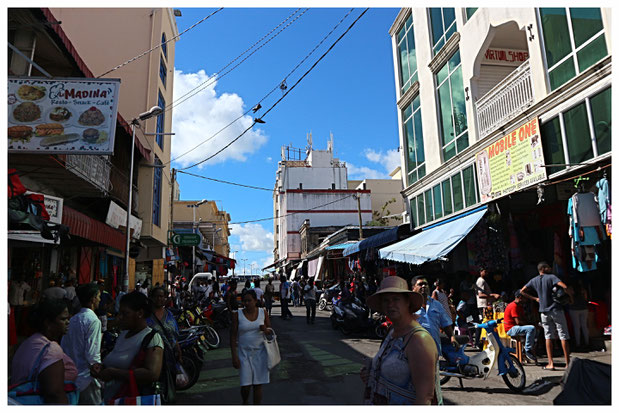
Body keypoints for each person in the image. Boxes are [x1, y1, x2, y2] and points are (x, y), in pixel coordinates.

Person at [360, 276, 436, 405]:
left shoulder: (418, 339)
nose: (390, 305)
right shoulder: (391, 332)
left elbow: (425, 397)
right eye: (385, 301)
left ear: (407, 302)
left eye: (396, 299)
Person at [90, 291, 164, 404]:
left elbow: (152, 374)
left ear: (139, 313)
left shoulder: (152, 338)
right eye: (119, 313)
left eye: (125, 314)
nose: (120, 317)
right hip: (112, 399)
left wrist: (114, 373)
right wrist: (102, 368)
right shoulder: (123, 335)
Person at [10, 299, 77, 404]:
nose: (68, 322)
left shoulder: (29, 342)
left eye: (68, 318)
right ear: (48, 323)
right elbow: (55, 394)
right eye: (63, 319)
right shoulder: (50, 348)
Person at [410, 275, 457, 405]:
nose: (424, 286)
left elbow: (446, 323)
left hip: (433, 352)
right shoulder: (409, 306)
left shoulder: (435, 304)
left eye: (426, 284)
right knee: (415, 385)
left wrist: (452, 337)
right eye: (420, 284)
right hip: (414, 353)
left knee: (433, 386)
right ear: (413, 288)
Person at [520, 261, 571, 370]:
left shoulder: (534, 280)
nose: (550, 268)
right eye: (548, 267)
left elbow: (522, 291)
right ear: (543, 268)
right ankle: (567, 363)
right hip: (556, 309)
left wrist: (536, 299)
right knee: (563, 335)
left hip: (543, 311)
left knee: (548, 336)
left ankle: (551, 363)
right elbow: (564, 286)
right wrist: (568, 296)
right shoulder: (552, 277)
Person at [61, 283, 103, 405]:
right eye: (98, 296)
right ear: (93, 299)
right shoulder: (93, 320)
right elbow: (92, 355)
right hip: (86, 378)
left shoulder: (73, 319)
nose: (100, 300)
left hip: (70, 377)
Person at [230, 289, 273, 404]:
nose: (246, 303)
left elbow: (270, 330)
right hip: (244, 354)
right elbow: (233, 336)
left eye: (249, 300)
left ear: (255, 301)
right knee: (246, 385)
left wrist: (265, 329)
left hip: (260, 353)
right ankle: (245, 403)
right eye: (244, 301)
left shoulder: (263, 312)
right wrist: (234, 356)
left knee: (258, 384)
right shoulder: (237, 314)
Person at [146, 287, 181, 404]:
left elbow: (174, 335)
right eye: (157, 296)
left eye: (162, 296)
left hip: (169, 358)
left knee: (169, 386)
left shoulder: (169, 314)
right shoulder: (147, 315)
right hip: (152, 358)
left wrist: (178, 349)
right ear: (151, 298)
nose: (160, 299)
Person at [503, 290, 537, 363]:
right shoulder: (513, 306)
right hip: (511, 328)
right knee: (531, 328)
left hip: (516, 327)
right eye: (524, 298)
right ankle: (528, 349)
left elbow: (522, 319)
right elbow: (518, 322)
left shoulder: (519, 306)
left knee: (535, 329)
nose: (526, 300)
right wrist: (529, 324)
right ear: (520, 297)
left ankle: (528, 350)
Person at [475, 268, 500, 348]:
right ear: (480, 272)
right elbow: (480, 295)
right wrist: (493, 295)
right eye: (485, 271)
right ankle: (480, 342)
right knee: (484, 324)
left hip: (485, 305)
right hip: (483, 305)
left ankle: (479, 342)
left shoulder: (483, 281)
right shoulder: (481, 281)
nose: (487, 273)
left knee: (483, 323)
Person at [568, 279, 590, 350]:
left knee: (576, 327)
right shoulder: (583, 289)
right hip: (584, 308)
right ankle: (587, 342)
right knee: (584, 326)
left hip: (574, 309)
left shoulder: (570, 289)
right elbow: (586, 299)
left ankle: (578, 343)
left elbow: (571, 301)